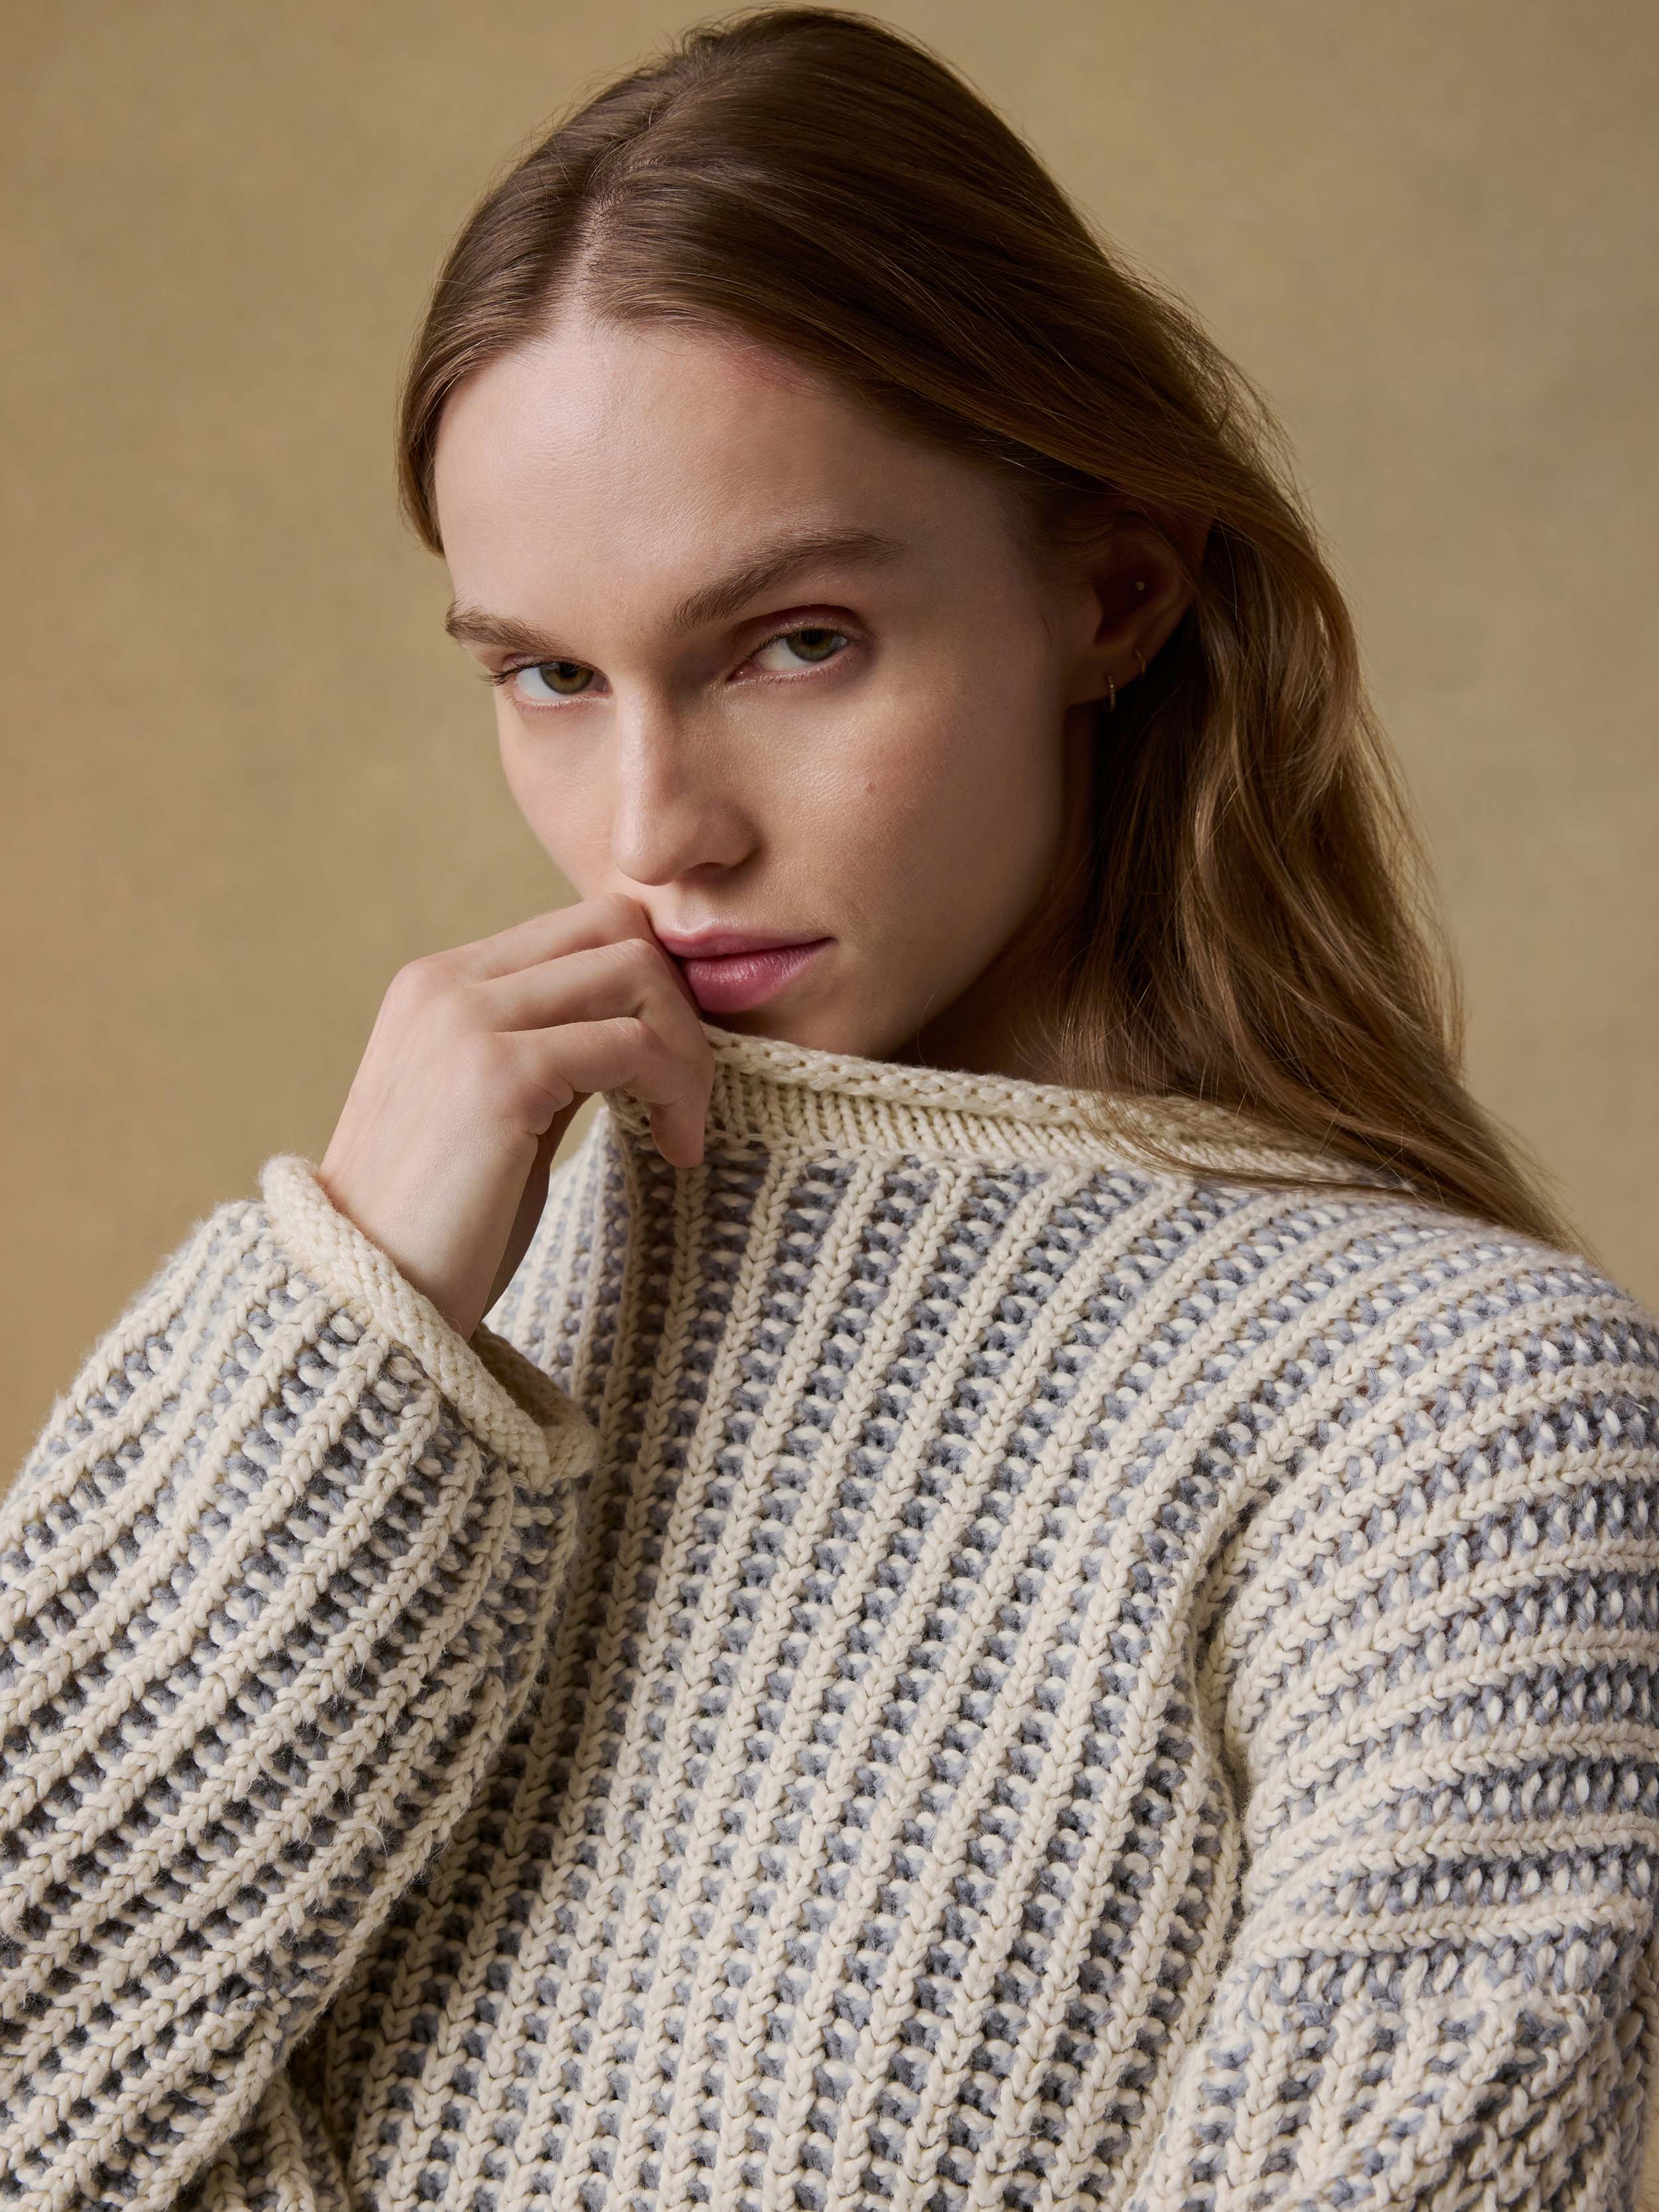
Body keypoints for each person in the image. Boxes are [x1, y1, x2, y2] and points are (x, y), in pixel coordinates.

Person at [4, 7, 1657, 2208]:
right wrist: (350, 1318)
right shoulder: (450, 1328)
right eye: (545, 675)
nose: (650, 826)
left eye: (793, 643)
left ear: (1109, 586)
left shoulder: (1457, 1421)